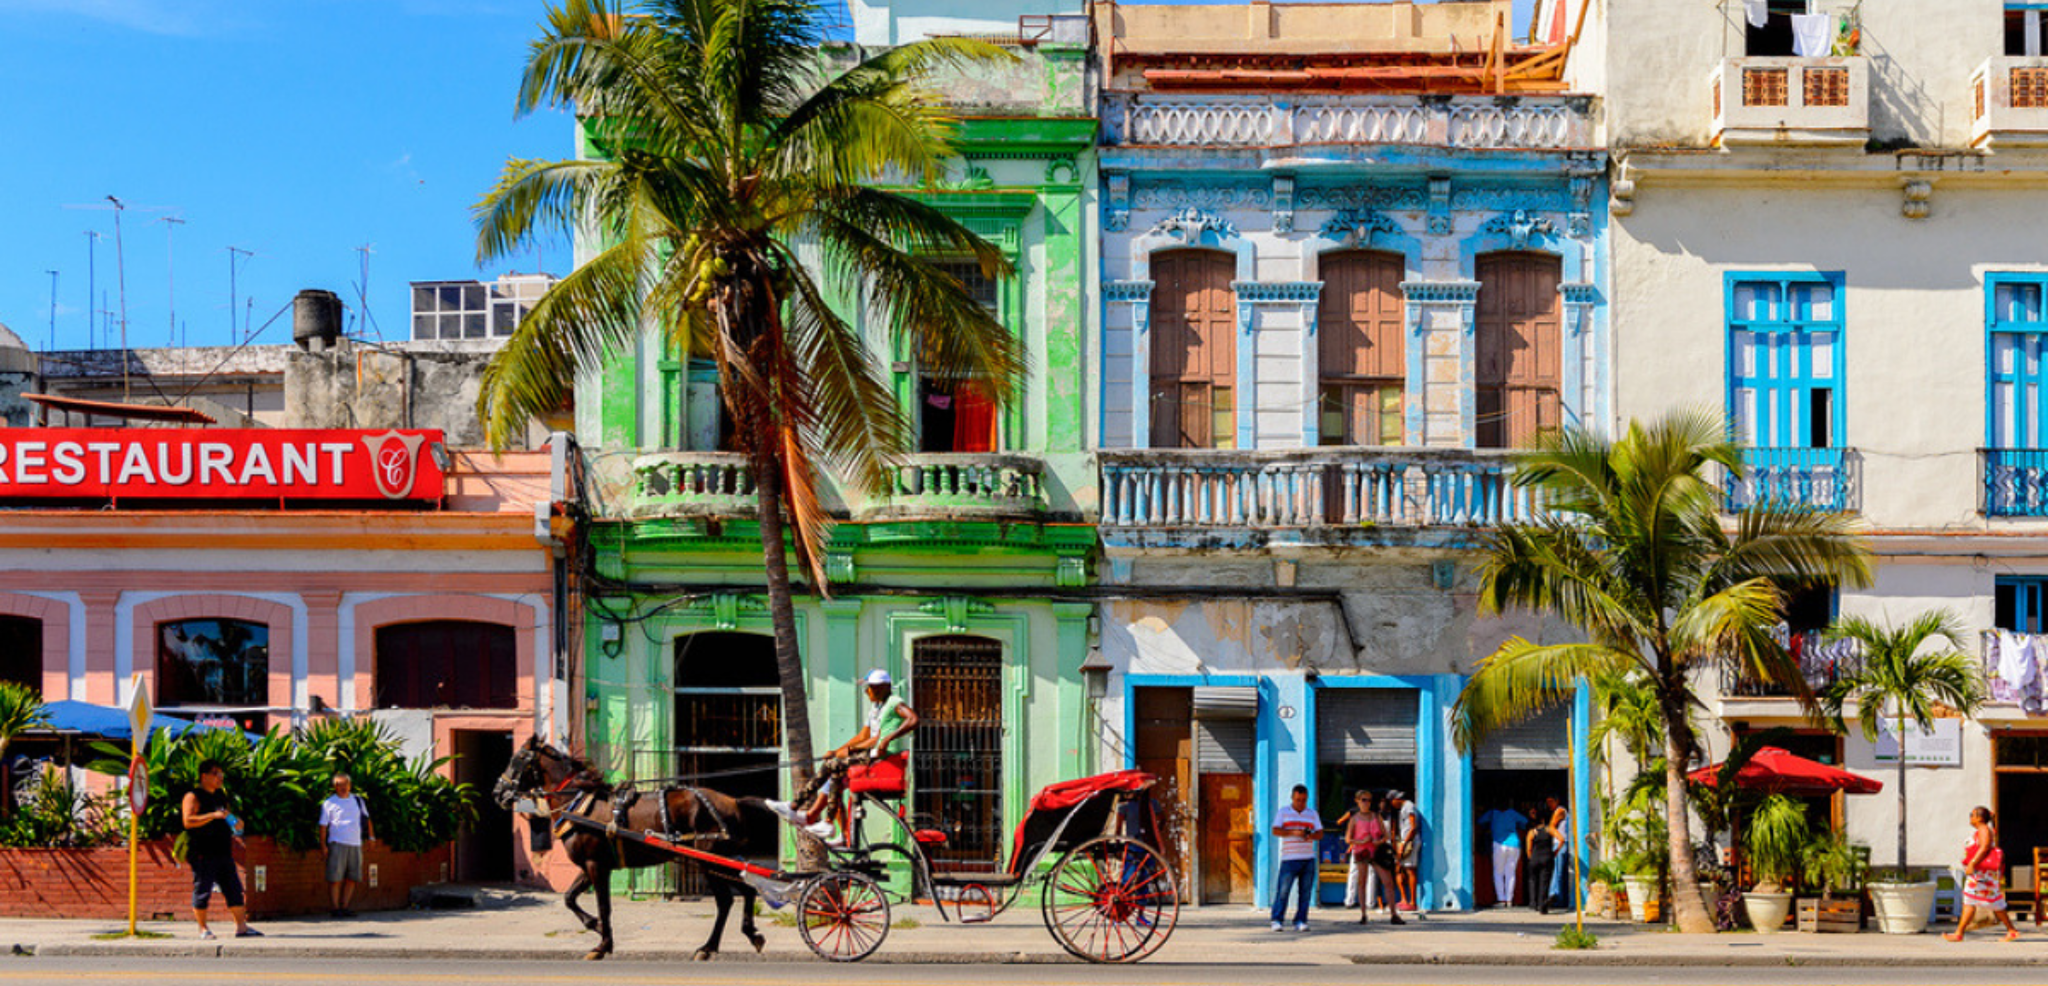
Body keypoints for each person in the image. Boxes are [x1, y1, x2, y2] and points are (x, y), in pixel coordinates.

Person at [768, 669, 919, 844]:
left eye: (869, 688)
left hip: (881, 757)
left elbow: (913, 720)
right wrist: (838, 751)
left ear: (881, 688)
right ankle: (829, 823)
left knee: (833, 766)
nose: (866, 692)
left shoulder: (894, 703)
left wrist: (888, 738)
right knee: (835, 769)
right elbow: (863, 737)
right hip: (873, 753)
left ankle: (800, 808)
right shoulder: (877, 708)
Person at [182, 760, 259, 940]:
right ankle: (203, 928)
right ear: (204, 776)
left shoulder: (220, 797)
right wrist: (212, 816)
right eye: (215, 773)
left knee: (233, 888)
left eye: (221, 774)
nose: (220, 777)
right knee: (203, 889)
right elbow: (188, 821)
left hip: (223, 851)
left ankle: (241, 927)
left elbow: (227, 817)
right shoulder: (193, 796)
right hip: (202, 852)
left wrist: (237, 823)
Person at [1946, 805, 2022, 942]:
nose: (1970, 817)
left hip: (1981, 874)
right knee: (1988, 902)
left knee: (1974, 901)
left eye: (1972, 814)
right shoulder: (1984, 829)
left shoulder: (1983, 829)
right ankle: (2011, 930)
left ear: (1979, 818)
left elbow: (1985, 847)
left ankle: (1959, 933)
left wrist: (1972, 863)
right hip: (1983, 874)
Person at [1340, 790, 1404, 926]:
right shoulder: (1354, 818)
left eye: (1369, 800)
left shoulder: (1376, 816)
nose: (1366, 803)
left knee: (1387, 881)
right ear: (1357, 801)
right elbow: (1347, 839)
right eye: (1363, 800)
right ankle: (1363, 913)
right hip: (1361, 851)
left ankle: (1393, 913)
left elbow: (1385, 835)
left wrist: (1377, 841)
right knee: (1362, 882)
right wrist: (1361, 842)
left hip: (1376, 851)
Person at [319, 771, 376, 918]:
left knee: (353, 877)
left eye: (345, 784)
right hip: (337, 843)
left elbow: (367, 818)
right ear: (335, 786)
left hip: (355, 843)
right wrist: (323, 845)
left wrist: (371, 836)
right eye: (339, 784)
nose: (343, 787)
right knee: (335, 878)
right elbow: (323, 826)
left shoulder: (358, 800)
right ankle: (335, 908)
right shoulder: (329, 803)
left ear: (350, 785)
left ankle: (345, 906)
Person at [1269, 783, 1321, 932]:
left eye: (1303, 800)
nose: (1300, 803)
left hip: (1308, 858)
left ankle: (1301, 920)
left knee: (1305, 893)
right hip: (1289, 858)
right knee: (1283, 891)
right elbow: (1275, 830)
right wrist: (1293, 832)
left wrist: (1310, 835)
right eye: (1298, 800)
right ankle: (1277, 919)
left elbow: (1320, 833)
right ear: (1292, 798)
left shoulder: (1312, 814)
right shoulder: (1283, 812)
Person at [1477, 797, 1526, 907]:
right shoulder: (1513, 813)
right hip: (1514, 844)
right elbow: (1525, 821)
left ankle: (1501, 899)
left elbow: (1480, 821)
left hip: (1499, 844)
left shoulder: (1493, 813)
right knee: (1511, 873)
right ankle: (1509, 900)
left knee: (1498, 873)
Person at [1390, 790, 1421, 913]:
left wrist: (1404, 843)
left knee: (1410, 869)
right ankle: (1404, 899)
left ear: (1396, 799)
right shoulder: (1404, 808)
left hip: (1410, 842)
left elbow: (1413, 827)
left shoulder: (1408, 806)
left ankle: (1412, 901)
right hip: (1404, 841)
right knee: (1400, 868)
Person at [1525, 804, 1557, 915]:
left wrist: (1531, 858)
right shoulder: (1549, 829)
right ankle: (1541, 903)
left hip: (1534, 858)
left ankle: (1533, 903)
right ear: (1543, 820)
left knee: (1533, 880)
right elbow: (1561, 839)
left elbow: (1528, 848)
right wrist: (1555, 852)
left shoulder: (1532, 832)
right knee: (1544, 881)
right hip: (1547, 857)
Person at [1544, 796, 1573, 911]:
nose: (1549, 804)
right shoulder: (1562, 812)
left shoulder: (1560, 811)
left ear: (1557, 800)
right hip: (1562, 843)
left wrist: (1560, 839)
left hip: (1560, 844)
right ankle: (1560, 898)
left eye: (1551, 801)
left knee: (1558, 870)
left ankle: (1554, 894)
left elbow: (1551, 827)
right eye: (1548, 802)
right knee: (1561, 871)